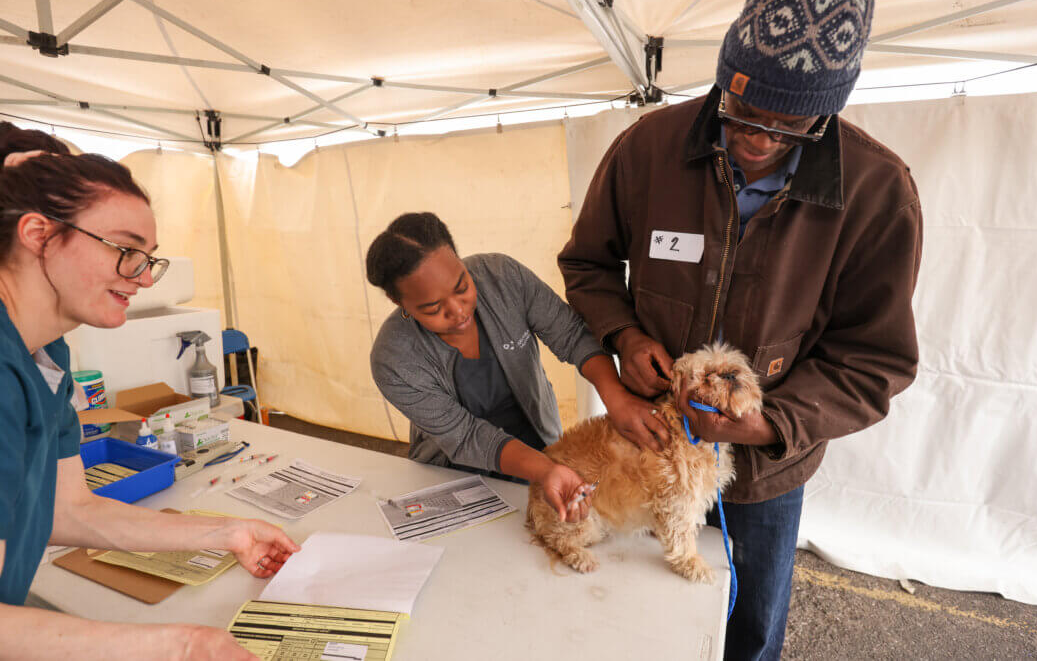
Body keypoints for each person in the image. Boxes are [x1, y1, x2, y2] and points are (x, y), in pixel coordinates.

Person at [558, 0, 921, 658]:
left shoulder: (875, 190)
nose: (757, 139)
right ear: (724, 75)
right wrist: (624, 336)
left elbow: (874, 361)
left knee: (747, 629)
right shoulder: (649, 148)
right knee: (637, 616)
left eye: (789, 127)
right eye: (743, 111)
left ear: (828, 112)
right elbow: (587, 264)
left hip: (762, 475)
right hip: (646, 448)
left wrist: (768, 425)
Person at [0, 123, 300, 660]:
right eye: (125, 250)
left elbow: (69, 509)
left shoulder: (48, 354)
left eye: (149, 258)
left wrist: (227, 532)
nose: (141, 278)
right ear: (38, 233)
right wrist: (183, 647)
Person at [367, 212, 666, 522]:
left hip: (539, 447)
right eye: (433, 308)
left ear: (458, 257)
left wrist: (615, 396)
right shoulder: (394, 359)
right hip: (453, 474)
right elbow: (466, 438)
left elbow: (572, 336)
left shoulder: (502, 277)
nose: (457, 311)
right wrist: (545, 470)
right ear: (398, 302)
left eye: (462, 287)